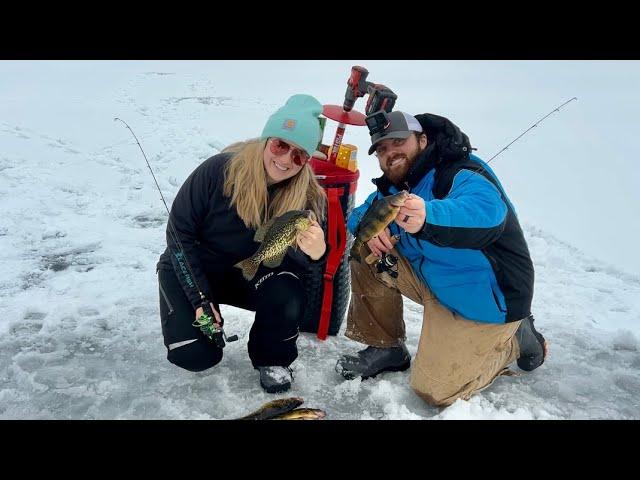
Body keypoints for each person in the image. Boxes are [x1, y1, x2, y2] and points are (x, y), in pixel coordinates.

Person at [335, 110, 547, 406]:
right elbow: (361, 214)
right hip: (435, 283)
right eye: (382, 149)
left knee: (434, 391)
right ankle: (387, 347)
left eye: (398, 142)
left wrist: (428, 217)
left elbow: (486, 212)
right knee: (365, 250)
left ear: (422, 140)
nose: (390, 153)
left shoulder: (460, 171)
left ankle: (513, 340)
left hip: (484, 300)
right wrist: (367, 229)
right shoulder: (396, 187)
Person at [156, 94, 328, 394]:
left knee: (288, 287)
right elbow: (178, 235)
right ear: (266, 139)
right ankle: (201, 324)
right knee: (195, 356)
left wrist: (316, 253)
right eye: (280, 145)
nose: (286, 159)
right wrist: (200, 299)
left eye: (299, 155)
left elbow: (298, 267)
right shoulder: (218, 171)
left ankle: (273, 358)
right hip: (196, 270)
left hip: (249, 273)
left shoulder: (307, 197)